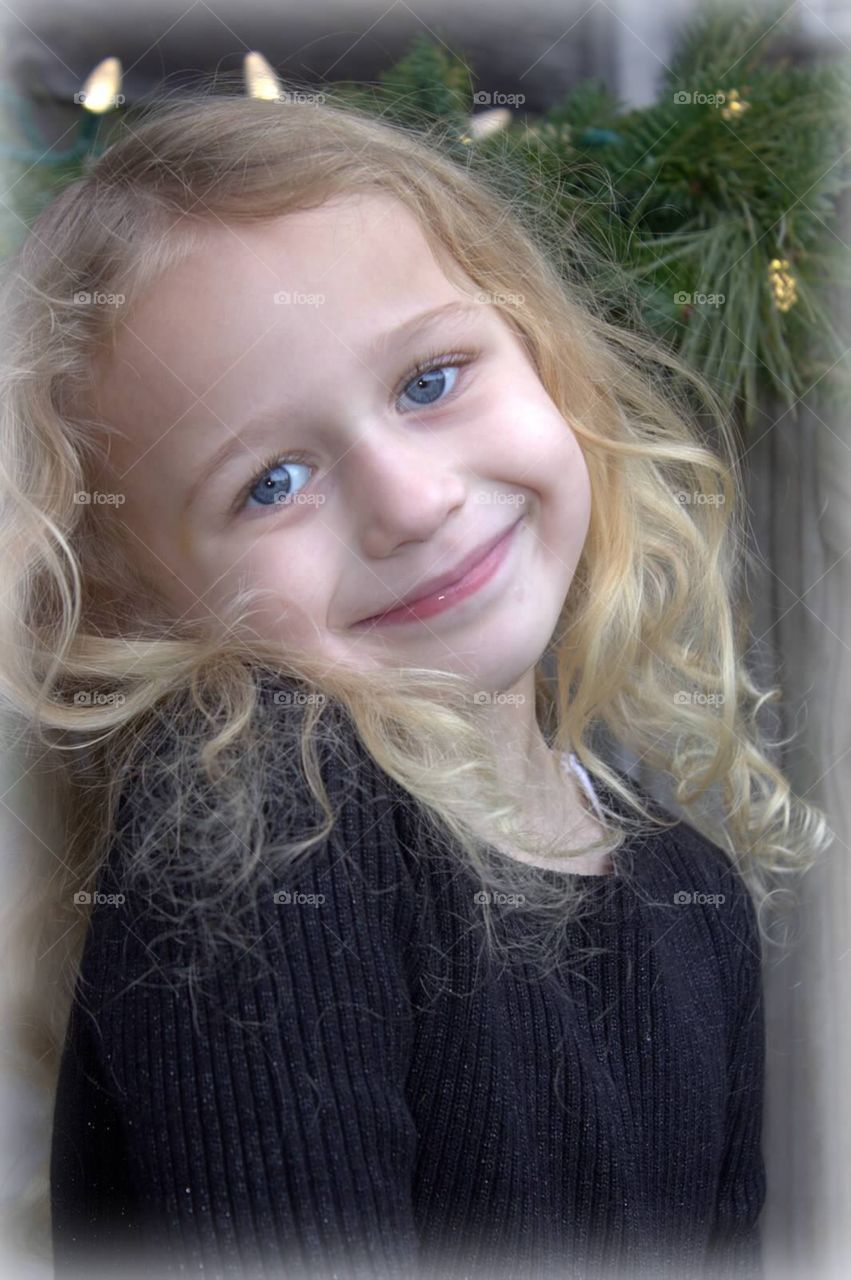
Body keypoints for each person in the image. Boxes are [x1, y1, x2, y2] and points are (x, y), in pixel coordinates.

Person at [0, 84, 831, 1280]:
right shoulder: (264, 808)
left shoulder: (692, 895)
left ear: (544, 354)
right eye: (271, 481)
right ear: (139, 611)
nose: (411, 500)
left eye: (430, 379)